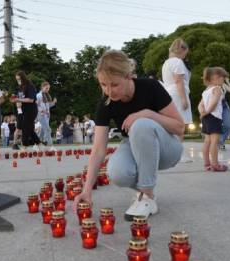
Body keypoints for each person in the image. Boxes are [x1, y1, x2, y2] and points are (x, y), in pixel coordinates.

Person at [72, 50, 184, 220]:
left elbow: (179, 128)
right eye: (103, 84)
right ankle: (149, 196)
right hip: (131, 143)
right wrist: (86, 191)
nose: (109, 91)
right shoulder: (106, 103)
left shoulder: (150, 87)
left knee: (141, 124)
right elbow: (98, 150)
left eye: (114, 84)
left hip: (168, 148)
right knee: (117, 172)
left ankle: (146, 197)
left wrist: (147, 113)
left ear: (128, 76)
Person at [162, 38, 193, 162]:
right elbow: (178, 81)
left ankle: (171, 153)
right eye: (186, 52)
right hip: (177, 94)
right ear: (182, 50)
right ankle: (178, 155)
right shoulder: (178, 62)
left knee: (172, 125)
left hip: (169, 93)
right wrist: (184, 99)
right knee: (180, 125)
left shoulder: (167, 63)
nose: (186, 55)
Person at [198, 67, 228, 172]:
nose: (223, 80)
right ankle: (215, 164)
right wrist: (207, 111)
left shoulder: (206, 91)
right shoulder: (217, 89)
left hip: (206, 118)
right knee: (215, 141)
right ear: (214, 78)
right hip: (214, 117)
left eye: (223, 78)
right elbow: (214, 103)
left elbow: (200, 105)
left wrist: (202, 112)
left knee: (207, 141)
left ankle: (207, 164)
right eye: (222, 78)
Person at [14, 71, 41, 151]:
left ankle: (24, 146)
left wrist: (18, 99)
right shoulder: (20, 87)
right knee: (29, 128)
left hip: (31, 110)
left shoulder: (30, 86)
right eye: (17, 79)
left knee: (25, 128)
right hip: (23, 110)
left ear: (23, 78)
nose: (18, 81)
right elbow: (19, 98)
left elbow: (31, 99)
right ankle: (39, 144)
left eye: (19, 79)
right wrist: (15, 101)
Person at [36, 81, 57, 150]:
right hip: (41, 115)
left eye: (48, 88)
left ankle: (36, 144)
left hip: (46, 116)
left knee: (42, 130)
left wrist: (53, 102)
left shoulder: (46, 95)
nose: (48, 89)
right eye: (46, 88)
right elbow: (36, 105)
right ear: (42, 87)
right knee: (48, 130)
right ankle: (51, 146)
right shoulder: (39, 95)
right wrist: (41, 110)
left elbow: (48, 106)